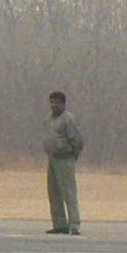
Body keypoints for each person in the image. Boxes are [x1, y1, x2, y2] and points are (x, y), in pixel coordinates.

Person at [43, 90, 84, 235]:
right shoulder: (48, 118)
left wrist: (72, 154)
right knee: (53, 192)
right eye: (52, 102)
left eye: (57, 103)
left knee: (68, 192)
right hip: (52, 158)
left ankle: (74, 224)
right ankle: (60, 224)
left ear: (63, 104)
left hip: (65, 159)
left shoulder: (69, 119)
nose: (54, 105)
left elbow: (77, 140)